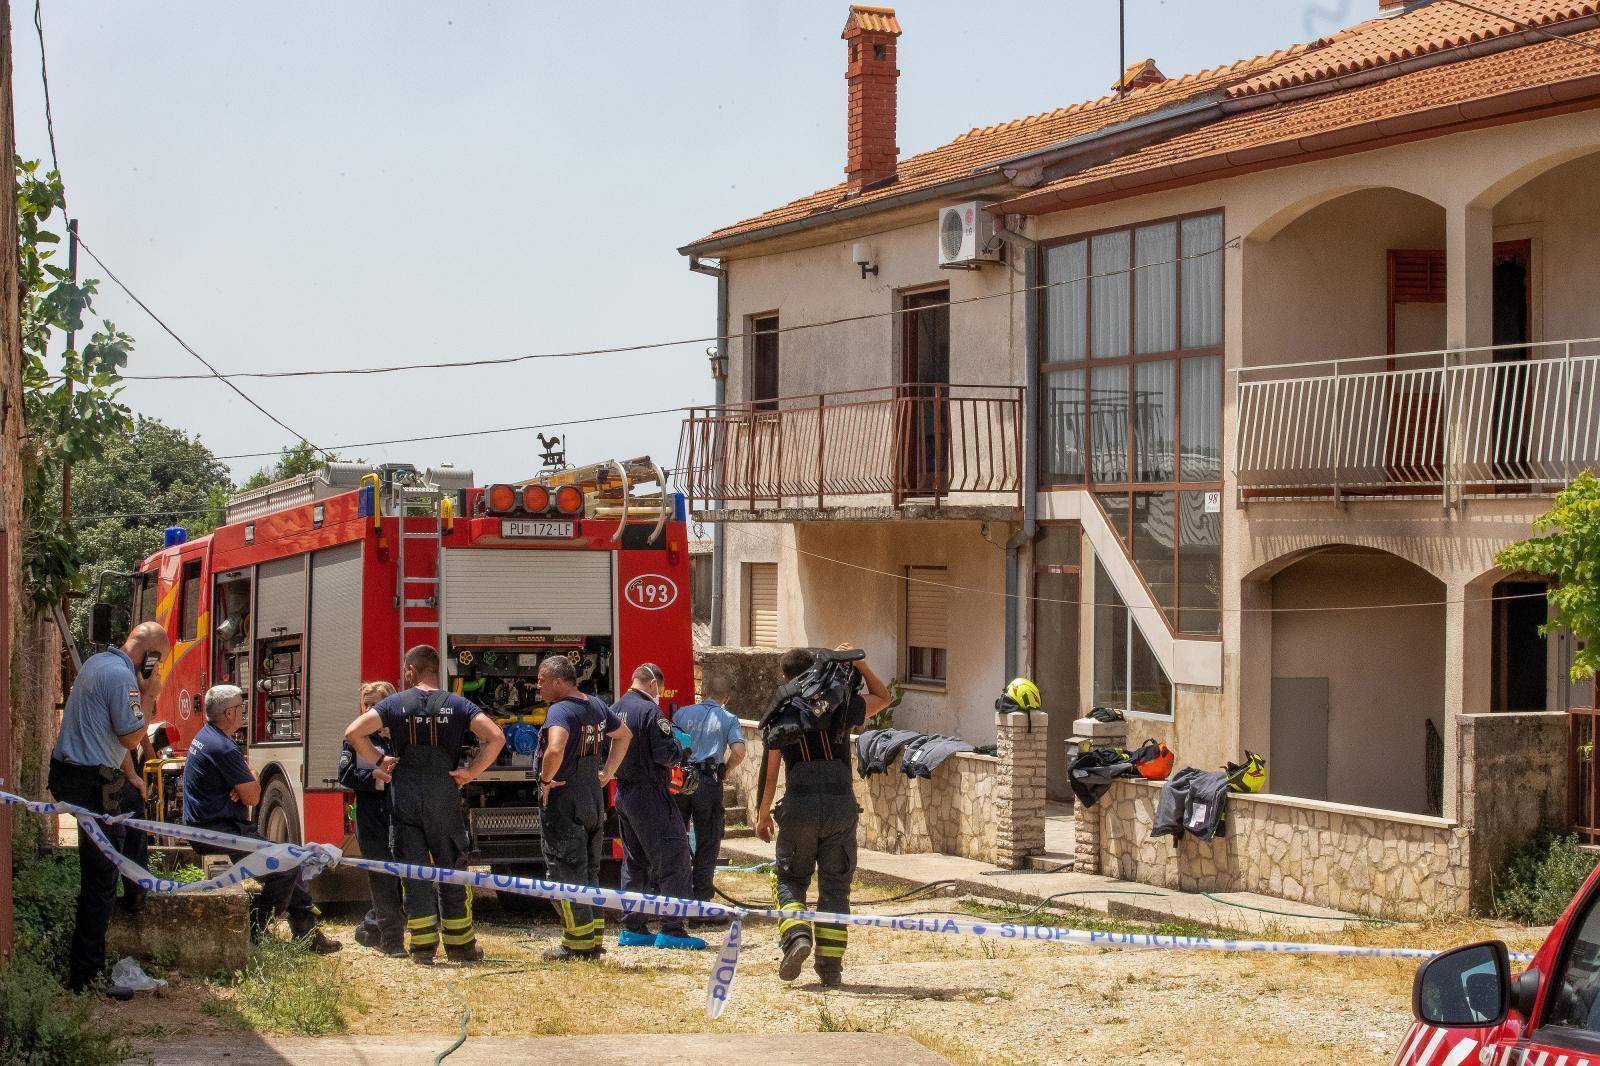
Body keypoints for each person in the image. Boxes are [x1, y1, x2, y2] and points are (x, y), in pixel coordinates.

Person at [347, 645, 504, 965]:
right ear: (436, 671)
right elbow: (496, 737)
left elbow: (353, 732)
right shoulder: (458, 703)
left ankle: (422, 948)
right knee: (452, 870)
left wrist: (380, 758)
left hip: (404, 796)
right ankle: (460, 947)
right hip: (443, 795)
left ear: (410, 671)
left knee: (414, 873)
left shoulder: (395, 703)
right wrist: (471, 772)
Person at [754, 643, 890, 988]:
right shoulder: (840, 703)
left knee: (789, 880)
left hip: (798, 807)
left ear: (785, 677)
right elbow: (883, 697)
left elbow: (770, 773)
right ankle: (830, 968)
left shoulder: (781, 712)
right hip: (840, 808)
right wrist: (860, 663)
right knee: (835, 889)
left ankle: (797, 937)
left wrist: (763, 814)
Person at [47, 621, 169, 997]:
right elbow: (131, 735)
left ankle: (136, 886)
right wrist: (150, 694)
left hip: (73, 772)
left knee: (134, 806)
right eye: (159, 661)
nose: (159, 669)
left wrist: (131, 774)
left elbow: (107, 734)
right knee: (99, 879)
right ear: (149, 658)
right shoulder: (124, 680)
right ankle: (87, 976)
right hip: (88, 784)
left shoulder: (98, 663)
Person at [183, 684, 341, 954]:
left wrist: (247, 778)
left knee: (288, 859)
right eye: (241, 709)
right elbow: (253, 798)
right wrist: (250, 779)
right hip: (221, 831)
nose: (244, 713)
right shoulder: (222, 748)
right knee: (286, 867)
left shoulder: (207, 737)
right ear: (230, 713)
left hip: (214, 827)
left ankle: (307, 933)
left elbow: (247, 784)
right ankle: (255, 928)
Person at [534, 653, 630, 961]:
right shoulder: (597, 705)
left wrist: (545, 781)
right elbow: (624, 735)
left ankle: (575, 946)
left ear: (559, 682)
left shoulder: (560, 710)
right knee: (590, 873)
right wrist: (608, 773)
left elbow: (556, 747)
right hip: (593, 800)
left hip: (566, 802)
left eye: (542, 680)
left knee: (564, 874)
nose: (538, 686)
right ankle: (592, 941)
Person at [613, 663, 705, 951]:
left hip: (624, 792)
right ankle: (672, 929)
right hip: (650, 793)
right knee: (675, 856)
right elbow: (665, 754)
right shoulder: (651, 712)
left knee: (635, 860)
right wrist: (680, 746)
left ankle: (633, 927)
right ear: (653, 684)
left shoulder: (615, 709)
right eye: (660, 689)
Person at [338, 680, 404, 956]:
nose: (370, 709)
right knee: (381, 875)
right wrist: (374, 777)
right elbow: (345, 775)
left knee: (400, 875)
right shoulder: (355, 738)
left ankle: (371, 926)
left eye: (376, 704)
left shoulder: (402, 735)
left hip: (400, 813)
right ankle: (391, 940)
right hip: (371, 815)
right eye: (366, 704)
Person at [673, 670, 746, 907]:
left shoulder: (682, 713)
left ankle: (677, 895)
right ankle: (701, 900)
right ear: (728, 697)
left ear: (702, 692)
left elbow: (669, 744)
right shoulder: (729, 718)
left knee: (677, 838)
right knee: (708, 841)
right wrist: (725, 770)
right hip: (708, 781)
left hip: (682, 779)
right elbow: (739, 752)